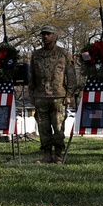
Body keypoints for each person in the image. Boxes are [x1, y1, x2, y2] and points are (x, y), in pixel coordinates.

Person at [28, 25, 76, 164]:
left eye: (48, 34)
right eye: (43, 34)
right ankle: (47, 155)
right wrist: (31, 94)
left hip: (58, 97)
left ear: (55, 36)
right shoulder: (35, 55)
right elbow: (31, 76)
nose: (45, 36)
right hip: (40, 96)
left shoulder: (63, 54)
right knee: (43, 128)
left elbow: (71, 76)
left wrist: (69, 94)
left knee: (58, 127)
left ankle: (59, 155)